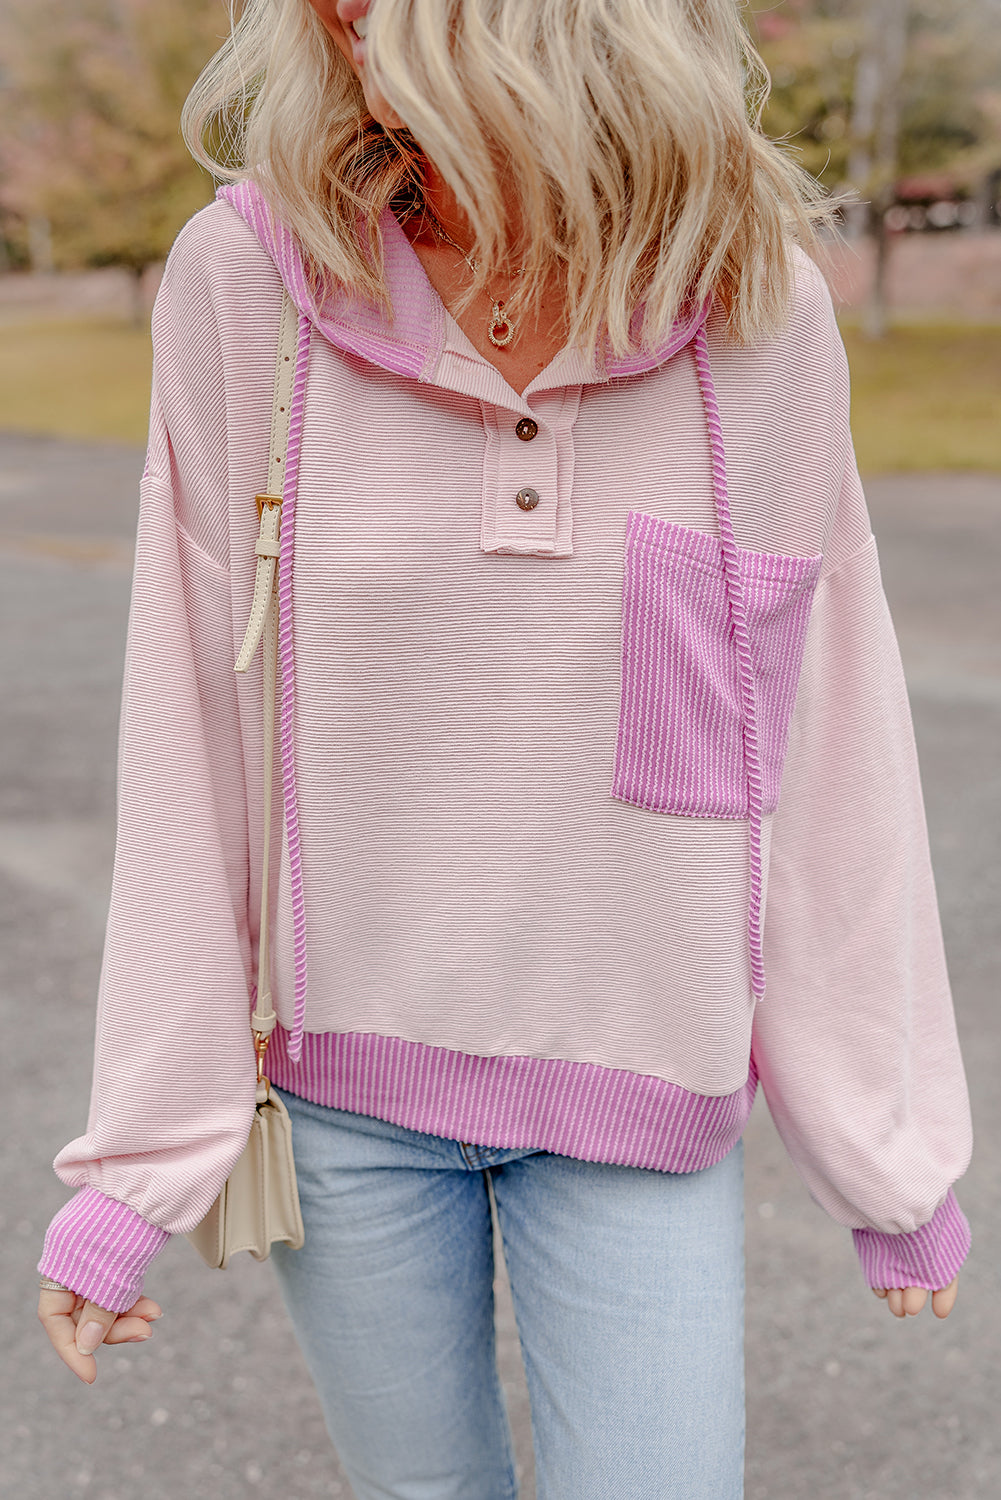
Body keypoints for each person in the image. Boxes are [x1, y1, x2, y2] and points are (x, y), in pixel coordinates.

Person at [38, 1, 972, 1495]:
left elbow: (821, 758)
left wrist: (883, 1147)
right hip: (345, 1108)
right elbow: (190, 734)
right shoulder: (245, 282)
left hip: (634, 1102)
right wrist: (140, 1164)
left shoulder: (757, 309)